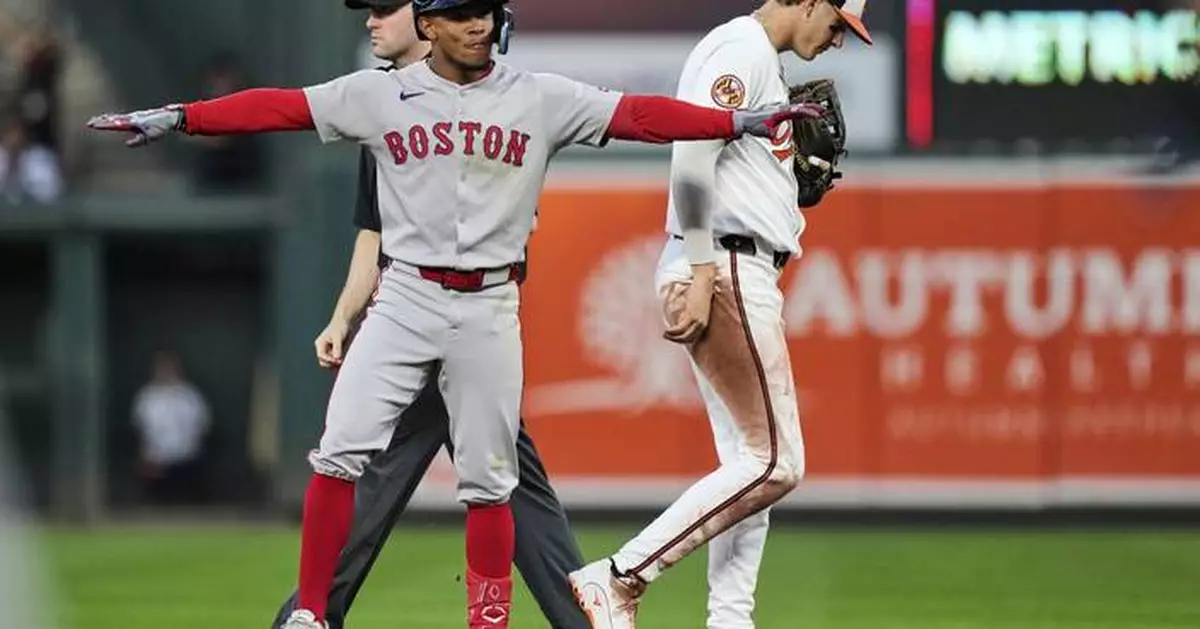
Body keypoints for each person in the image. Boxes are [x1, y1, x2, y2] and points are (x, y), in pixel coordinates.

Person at [87, 0, 824, 627]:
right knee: (338, 452)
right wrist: (183, 116)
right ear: (430, 25)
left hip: (490, 303)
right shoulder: (378, 95)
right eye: (460, 13)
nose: (478, 25)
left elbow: (639, 115)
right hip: (404, 296)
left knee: (492, 484)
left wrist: (734, 124)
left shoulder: (538, 94)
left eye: (484, 11)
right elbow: (279, 106)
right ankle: (311, 612)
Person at [267, 2, 588, 629]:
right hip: (414, 317)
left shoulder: (484, 100)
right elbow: (374, 235)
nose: (372, 22)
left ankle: (305, 617)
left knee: (458, 486)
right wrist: (343, 317)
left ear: (425, 21)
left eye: (387, 9)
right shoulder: (384, 105)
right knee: (497, 489)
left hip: (471, 318)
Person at [566, 2, 870, 629]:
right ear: (808, 1)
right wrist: (703, 268)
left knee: (747, 466)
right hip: (725, 261)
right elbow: (693, 152)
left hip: (735, 261)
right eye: (837, 24)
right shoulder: (743, 49)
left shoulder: (760, 59)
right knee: (776, 462)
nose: (838, 41)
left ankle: (730, 620)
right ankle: (619, 577)